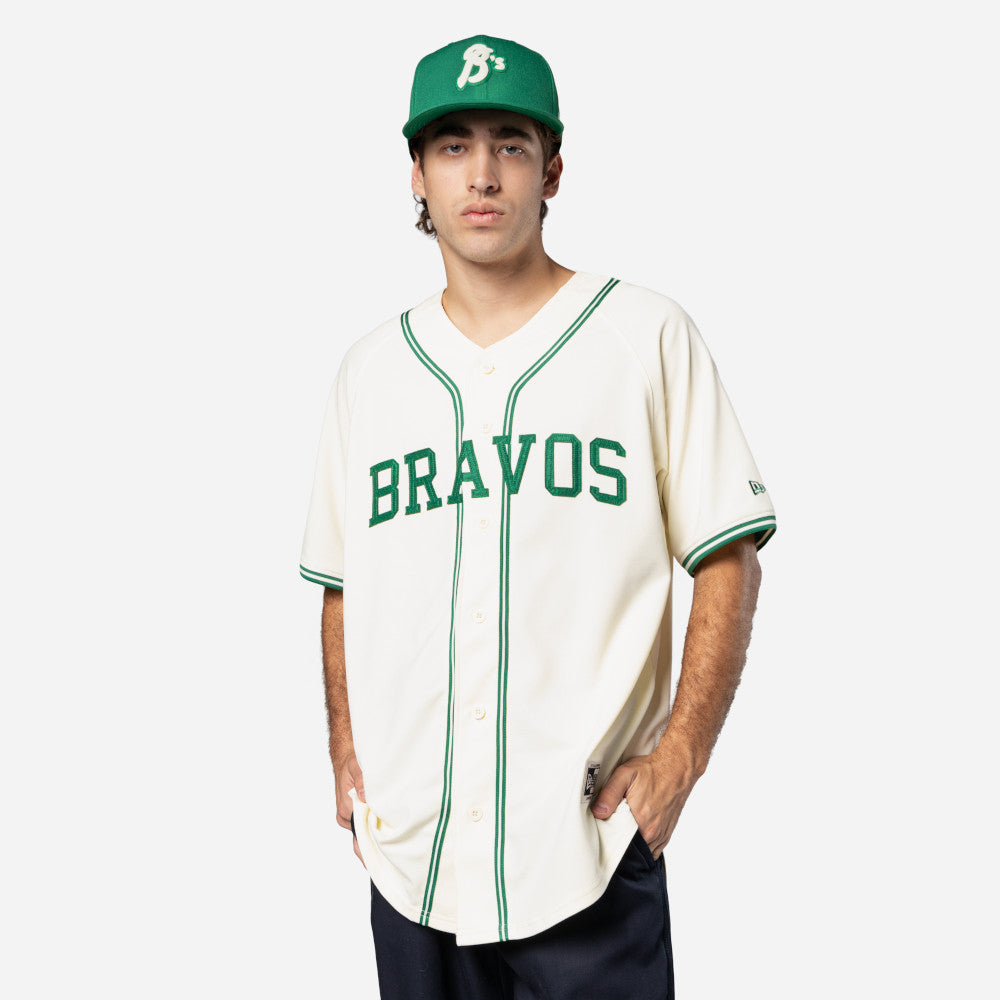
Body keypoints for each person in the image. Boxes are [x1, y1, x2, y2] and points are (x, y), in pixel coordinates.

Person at [299, 34, 776, 1000]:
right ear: (417, 175)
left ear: (552, 170)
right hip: (413, 856)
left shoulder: (644, 334)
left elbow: (728, 557)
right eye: (453, 146)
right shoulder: (369, 372)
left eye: (510, 145)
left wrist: (681, 757)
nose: (482, 174)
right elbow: (343, 583)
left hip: (585, 849)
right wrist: (347, 749)